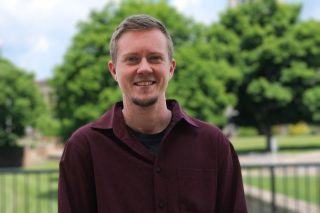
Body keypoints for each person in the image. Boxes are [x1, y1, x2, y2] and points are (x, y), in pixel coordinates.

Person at [58, 14, 247, 213]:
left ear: (171, 68)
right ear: (114, 70)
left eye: (155, 58)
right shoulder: (83, 149)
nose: (144, 68)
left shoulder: (213, 145)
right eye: (132, 59)